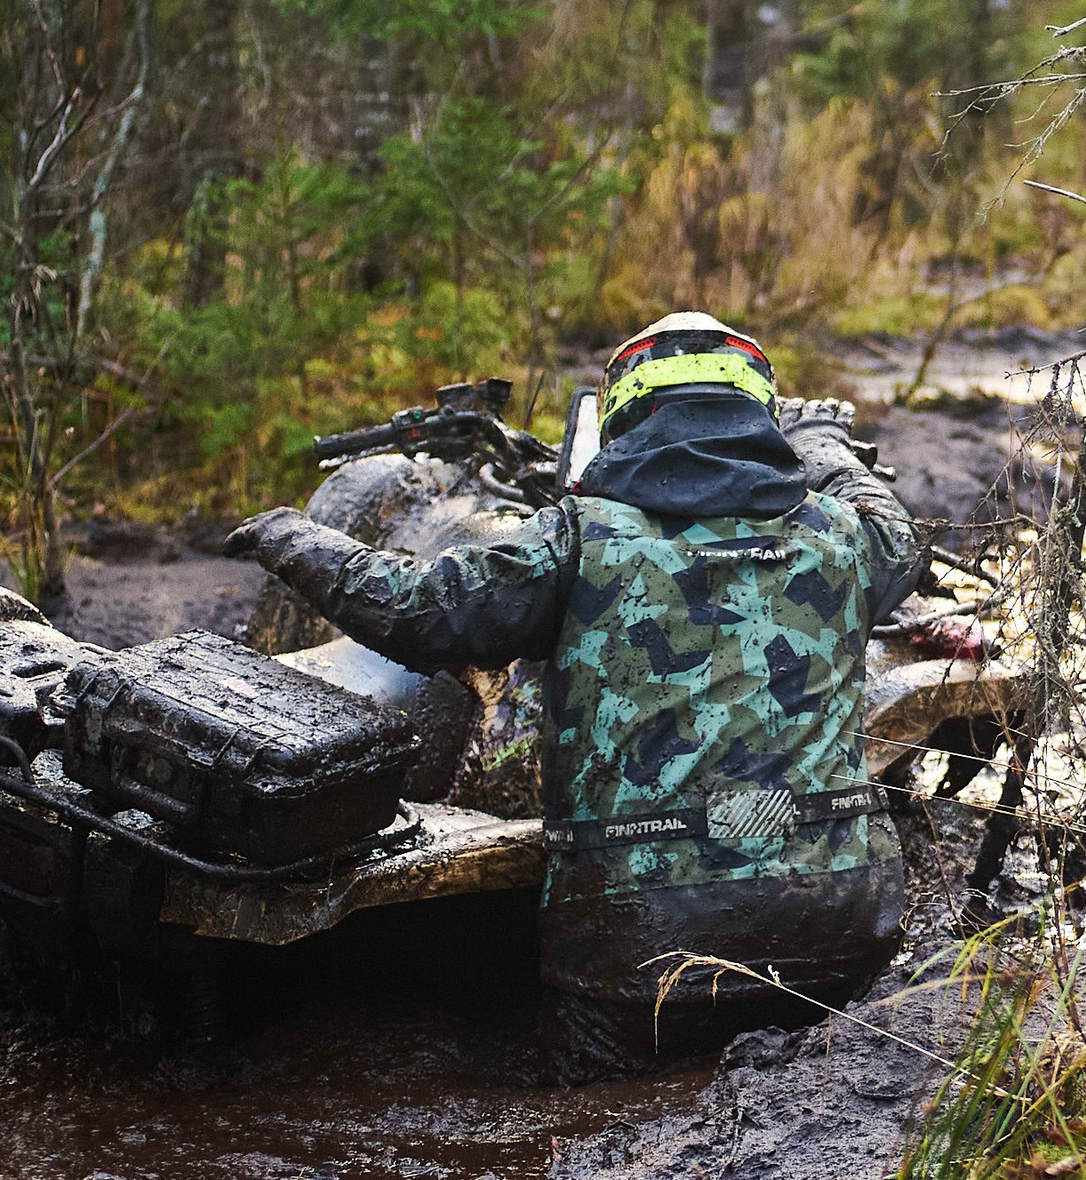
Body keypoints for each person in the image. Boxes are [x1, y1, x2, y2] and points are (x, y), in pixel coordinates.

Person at [226, 313, 922, 1071]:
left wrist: (294, 536)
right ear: (759, 414)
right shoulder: (849, 535)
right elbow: (894, 523)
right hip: (842, 921)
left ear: (625, 416)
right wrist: (819, 442)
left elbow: (419, 609)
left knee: (591, 1122)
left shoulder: (578, 535)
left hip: (643, 943)